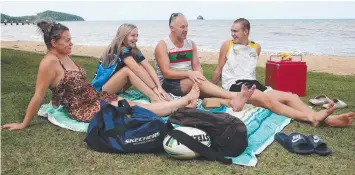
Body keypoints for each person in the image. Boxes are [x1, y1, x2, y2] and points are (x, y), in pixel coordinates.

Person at [0, 20, 202, 131]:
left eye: (71, 39)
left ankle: (178, 103)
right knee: (136, 108)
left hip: (94, 97)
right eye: (67, 40)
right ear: (53, 43)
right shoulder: (49, 63)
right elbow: (38, 95)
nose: (71, 43)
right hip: (83, 108)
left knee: (129, 103)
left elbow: (143, 66)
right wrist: (23, 124)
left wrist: (157, 87)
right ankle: (183, 102)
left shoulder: (64, 55)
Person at [212, 18, 355, 127]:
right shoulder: (227, 45)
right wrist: (213, 88)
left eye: (235, 31)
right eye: (231, 31)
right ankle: (313, 118)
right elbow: (219, 68)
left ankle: (325, 119)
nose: (232, 34)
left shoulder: (256, 47)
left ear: (246, 31)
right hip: (236, 85)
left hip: (254, 84)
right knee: (269, 101)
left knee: (291, 97)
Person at [154, 13, 256, 111]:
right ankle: (235, 95)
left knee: (209, 97)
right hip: (169, 84)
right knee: (201, 84)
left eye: (187, 26)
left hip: (189, 81)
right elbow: (166, 73)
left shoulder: (190, 44)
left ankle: (230, 103)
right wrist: (190, 74)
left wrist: (199, 76)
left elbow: (197, 66)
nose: (186, 30)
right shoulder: (163, 45)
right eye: (182, 27)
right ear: (172, 28)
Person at [96, 23, 171, 103]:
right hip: (101, 90)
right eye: (133, 35)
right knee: (128, 70)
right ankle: (155, 99)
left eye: (137, 35)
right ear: (123, 36)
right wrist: (154, 89)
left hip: (115, 87)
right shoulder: (120, 48)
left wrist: (159, 87)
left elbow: (148, 67)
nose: (136, 38)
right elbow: (136, 69)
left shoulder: (134, 50)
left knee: (140, 67)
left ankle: (156, 96)